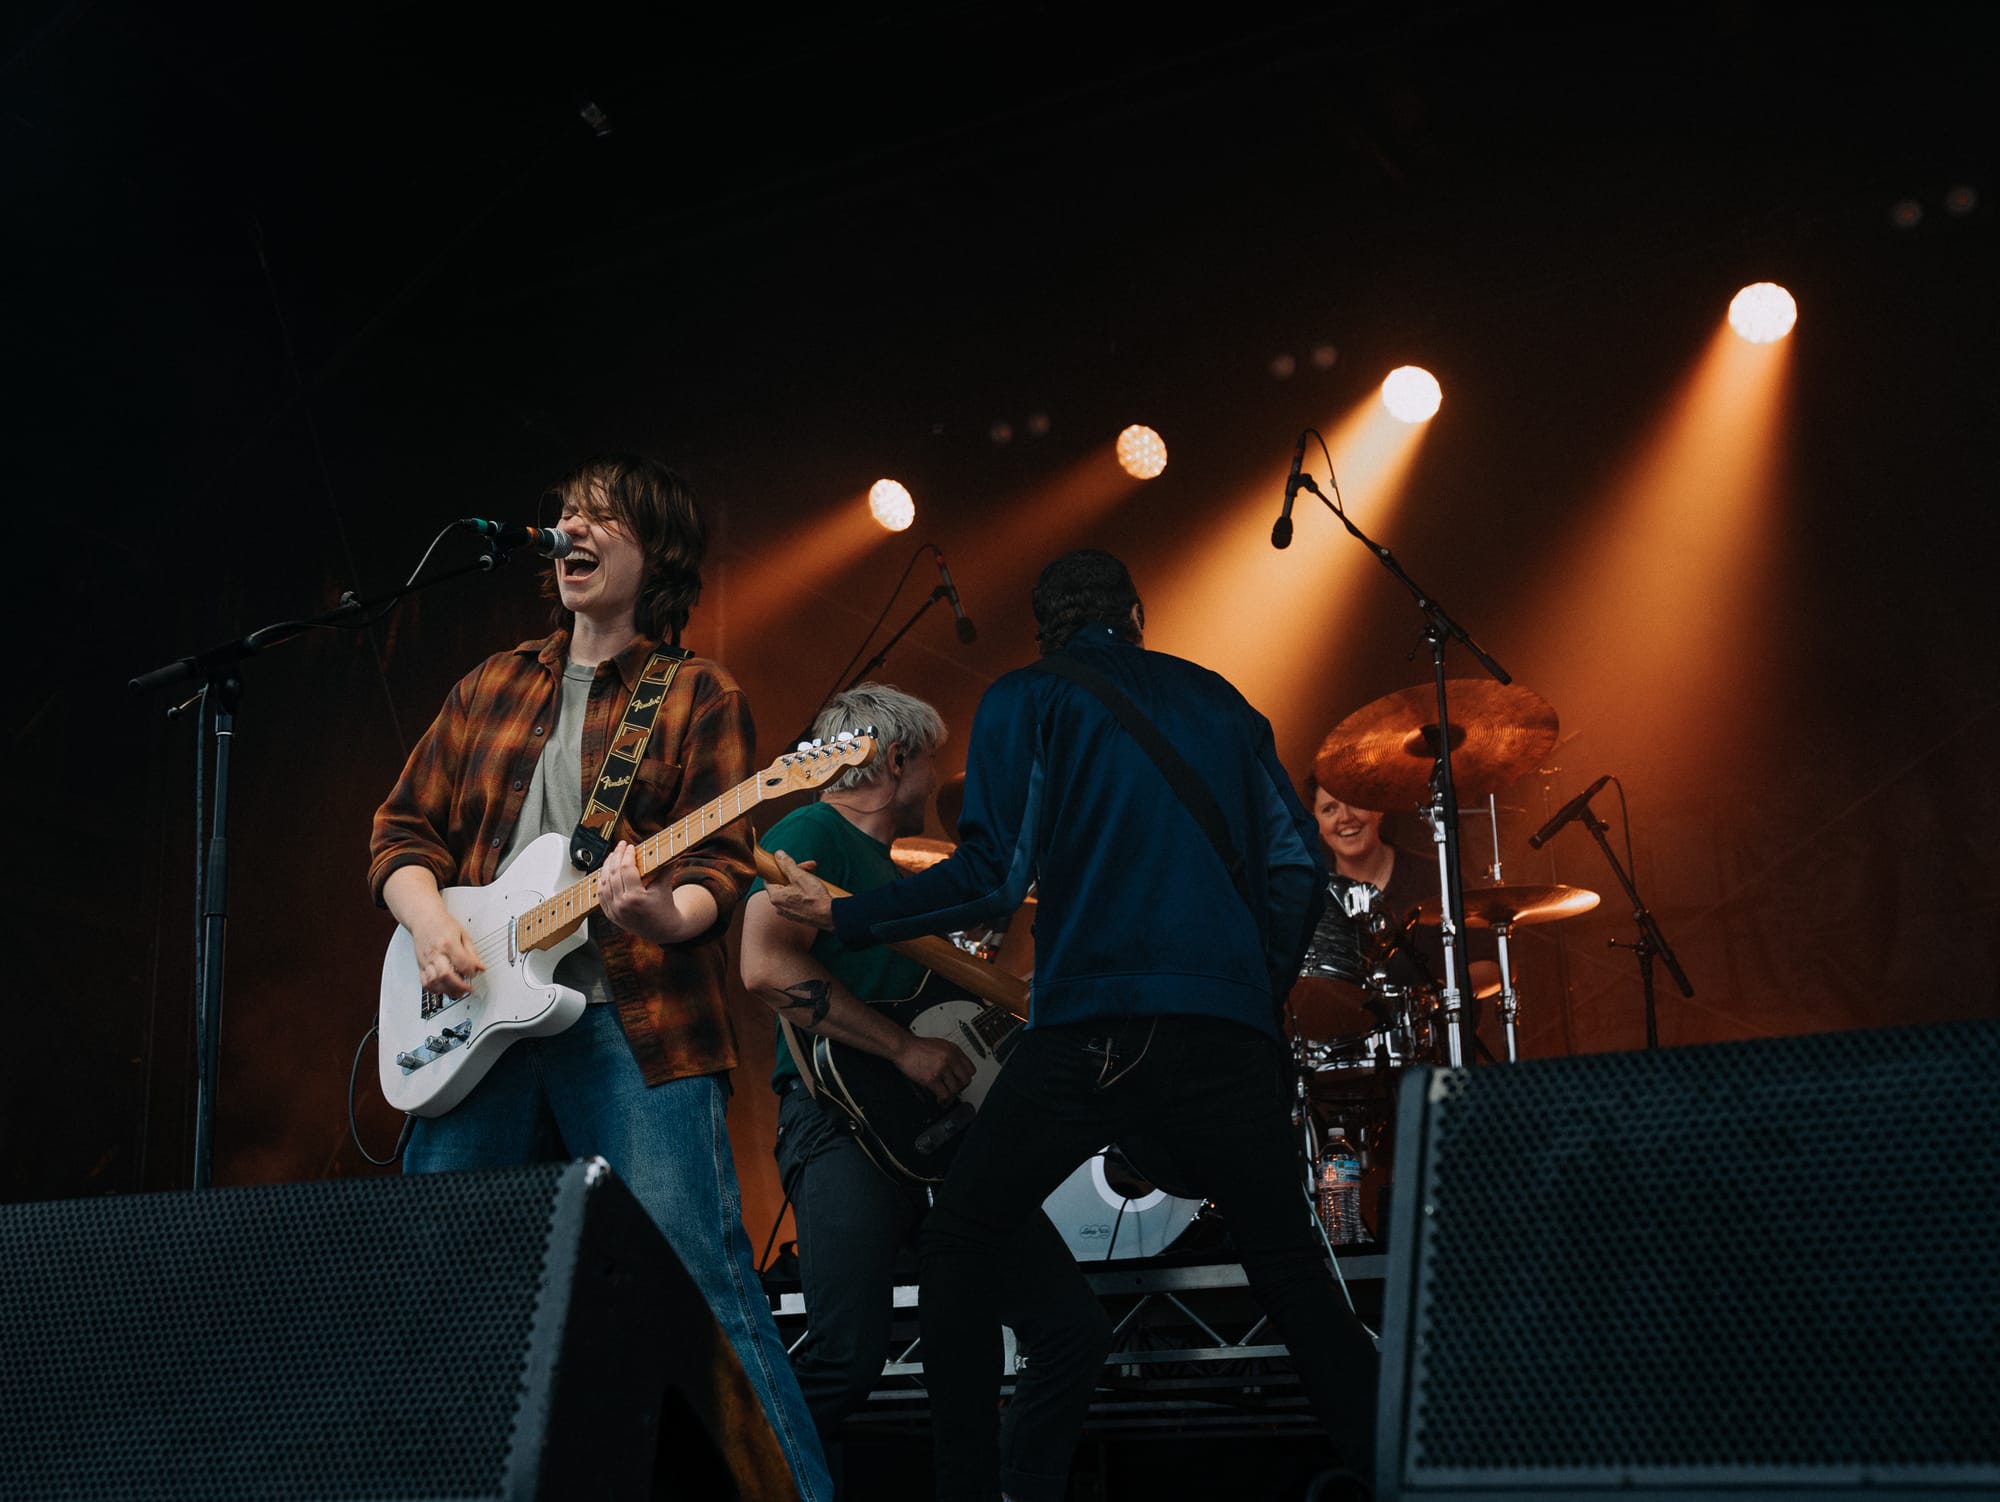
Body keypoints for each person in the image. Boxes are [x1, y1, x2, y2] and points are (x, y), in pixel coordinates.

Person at [766, 549, 1381, 1500]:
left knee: (961, 1240)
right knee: (1293, 1267)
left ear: (1044, 629)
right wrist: (1247, 993)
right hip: (1229, 1028)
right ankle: (1397, 1474)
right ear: (1137, 615)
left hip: (1099, 1025)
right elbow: (1300, 864)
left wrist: (845, 916)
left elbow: (993, 878)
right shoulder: (1222, 700)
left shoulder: (1026, 697)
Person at [367, 453, 831, 1501]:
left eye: (601, 518)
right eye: (567, 515)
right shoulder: (490, 683)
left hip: (635, 1025)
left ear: (656, 551)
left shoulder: (698, 692)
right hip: (476, 1029)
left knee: (698, 1279)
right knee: (443, 1283)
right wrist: (431, 922)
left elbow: (719, 866)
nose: (570, 530)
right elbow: (400, 832)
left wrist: (662, 912)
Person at [739, 683, 1110, 1502]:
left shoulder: (898, 877)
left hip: (935, 1137)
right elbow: (764, 965)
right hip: (842, 1125)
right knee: (846, 1356)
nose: (939, 777)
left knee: (1068, 1330)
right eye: (931, 759)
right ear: (896, 758)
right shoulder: (812, 833)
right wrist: (904, 1049)